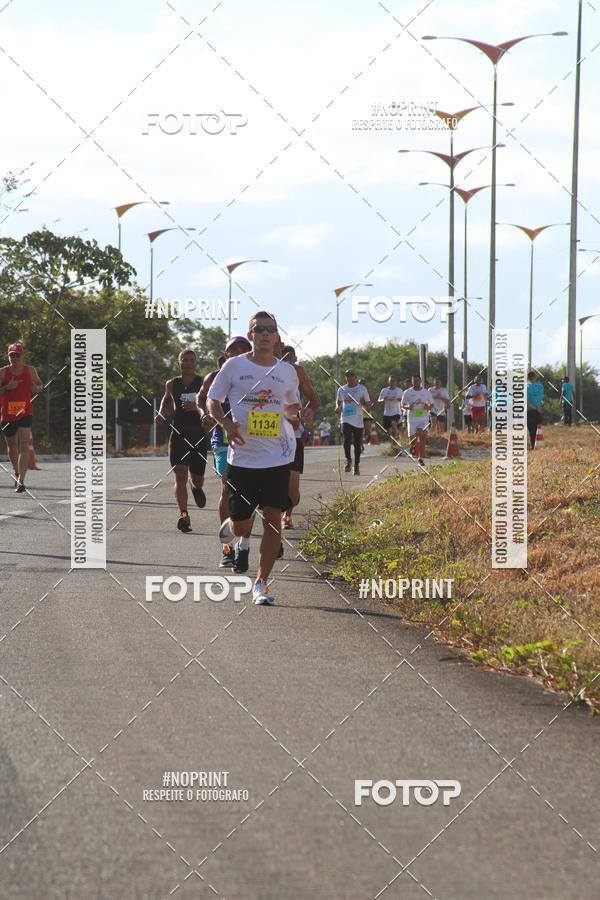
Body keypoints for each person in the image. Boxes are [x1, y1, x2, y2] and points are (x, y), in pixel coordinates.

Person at [207, 311, 300, 605]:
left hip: (277, 458)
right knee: (241, 525)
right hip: (242, 460)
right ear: (250, 336)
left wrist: (297, 416)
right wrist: (225, 423)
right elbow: (212, 400)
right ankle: (235, 530)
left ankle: (261, 584)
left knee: (273, 519)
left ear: (277, 337)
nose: (264, 333)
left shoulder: (287, 372)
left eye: (270, 329)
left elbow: (290, 407)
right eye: (258, 329)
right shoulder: (234, 366)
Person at [197, 336, 252, 570]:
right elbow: (202, 399)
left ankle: (244, 545)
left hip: (254, 439)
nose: (237, 353)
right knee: (227, 485)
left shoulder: (261, 373)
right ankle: (226, 547)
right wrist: (204, 415)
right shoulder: (214, 376)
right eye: (232, 350)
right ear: (225, 354)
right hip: (223, 438)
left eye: (242, 350)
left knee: (249, 494)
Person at [155, 349, 207, 533]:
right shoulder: (171, 384)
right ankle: (184, 515)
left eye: (191, 360)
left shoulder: (203, 383)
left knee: (197, 478)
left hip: (198, 436)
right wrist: (161, 412)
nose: (187, 362)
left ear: (196, 363)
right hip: (178, 436)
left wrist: (198, 408)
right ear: (179, 363)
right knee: (180, 474)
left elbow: (209, 404)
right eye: (184, 360)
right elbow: (166, 400)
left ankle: (196, 488)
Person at [280, 344, 319, 530]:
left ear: (295, 359)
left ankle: (288, 512)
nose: (287, 359)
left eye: (290, 356)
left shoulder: (299, 374)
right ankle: (277, 519)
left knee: (292, 489)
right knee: (274, 481)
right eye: (283, 356)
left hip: (295, 433)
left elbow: (315, 399)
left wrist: (307, 412)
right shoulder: (269, 371)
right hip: (272, 435)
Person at [0, 343, 43, 492]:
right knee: (12, 448)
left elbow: (40, 385)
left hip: (25, 412)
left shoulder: (30, 371)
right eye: (12, 355)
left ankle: (21, 481)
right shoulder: (3, 373)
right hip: (7, 415)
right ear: (8, 356)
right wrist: (6, 387)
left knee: (24, 444)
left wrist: (36, 388)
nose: (15, 358)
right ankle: (16, 472)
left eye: (17, 355)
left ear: (22, 356)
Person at [336, 369, 372, 475]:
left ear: (355, 377)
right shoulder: (341, 389)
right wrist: (337, 408)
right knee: (346, 439)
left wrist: (363, 402)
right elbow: (338, 403)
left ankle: (356, 465)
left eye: (351, 376)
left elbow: (368, 405)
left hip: (358, 420)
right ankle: (348, 460)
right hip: (346, 418)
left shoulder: (362, 389)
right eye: (347, 376)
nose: (349, 378)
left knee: (357, 443)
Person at [401, 374, 433, 465]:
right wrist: (408, 407)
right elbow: (402, 404)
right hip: (412, 418)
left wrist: (428, 406)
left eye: (418, 380)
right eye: (414, 380)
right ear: (412, 382)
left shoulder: (426, 392)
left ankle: (421, 457)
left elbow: (431, 404)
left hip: (423, 417)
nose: (416, 382)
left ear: (420, 381)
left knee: (422, 435)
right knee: (413, 440)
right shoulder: (407, 392)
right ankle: (413, 446)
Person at [377, 375, 403, 442]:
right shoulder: (384, 390)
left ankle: (396, 436)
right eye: (391, 381)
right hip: (387, 412)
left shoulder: (399, 390)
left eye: (393, 381)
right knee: (388, 431)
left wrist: (401, 400)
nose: (392, 382)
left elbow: (403, 401)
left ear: (396, 382)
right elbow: (378, 400)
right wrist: (383, 399)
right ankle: (392, 444)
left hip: (396, 411)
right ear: (388, 382)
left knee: (394, 424)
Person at [526, 370, 544, 449]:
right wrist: (538, 408)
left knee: (531, 430)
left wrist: (535, 408)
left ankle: (533, 446)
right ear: (535, 377)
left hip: (530, 411)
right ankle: (539, 445)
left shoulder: (527, 388)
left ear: (527, 378)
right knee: (538, 429)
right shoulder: (540, 386)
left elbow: (526, 402)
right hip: (539, 410)